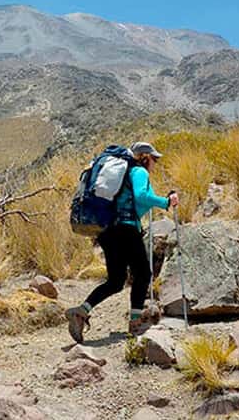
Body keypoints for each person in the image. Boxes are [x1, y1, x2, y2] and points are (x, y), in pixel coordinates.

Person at [65, 142, 179, 342]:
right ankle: (136, 324)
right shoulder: (139, 172)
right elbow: (142, 196)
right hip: (126, 228)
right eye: (154, 159)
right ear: (145, 157)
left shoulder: (122, 174)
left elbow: (137, 202)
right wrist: (166, 202)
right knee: (143, 274)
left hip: (107, 231)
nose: (156, 163)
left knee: (116, 281)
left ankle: (81, 312)